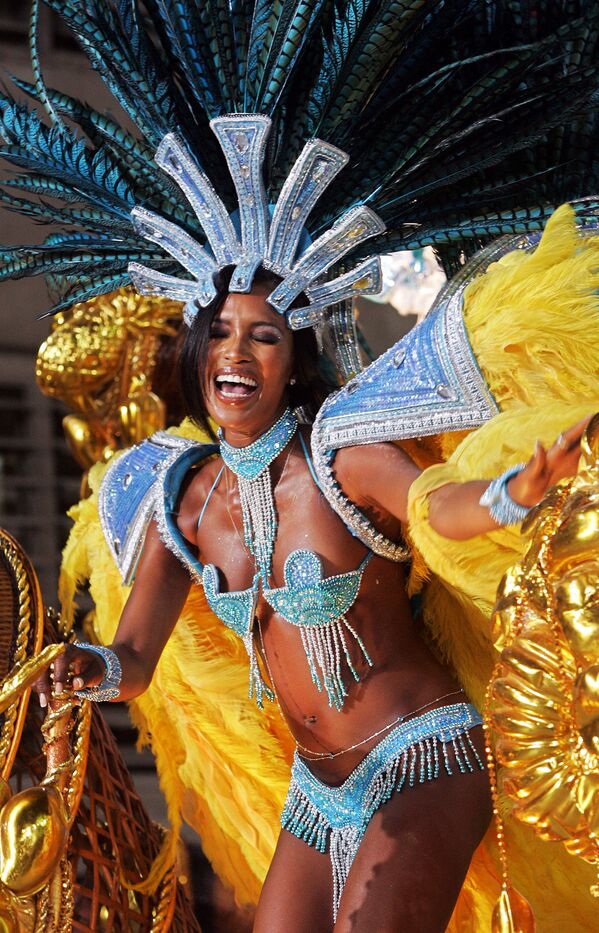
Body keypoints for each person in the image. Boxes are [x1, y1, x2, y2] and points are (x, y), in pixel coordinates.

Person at [33, 260, 587, 930]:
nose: (235, 352)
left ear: (294, 360)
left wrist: (511, 493)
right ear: (196, 351)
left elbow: (433, 506)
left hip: (421, 757)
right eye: (220, 332)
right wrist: (94, 668)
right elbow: (135, 659)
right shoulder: (180, 501)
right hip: (315, 790)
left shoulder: (338, 456)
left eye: (263, 335)